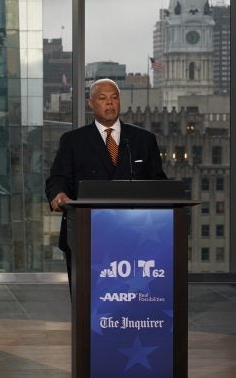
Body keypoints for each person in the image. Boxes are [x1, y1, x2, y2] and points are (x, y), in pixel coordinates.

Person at [45, 78, 166, 286]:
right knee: (89, 301)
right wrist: (59, 194)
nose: (109, 103)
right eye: (102, 98)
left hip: (135, 232)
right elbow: (57, 178)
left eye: (114, 98)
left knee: (131, 298)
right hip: (87, 232)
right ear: (91, 104)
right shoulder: (73, 140)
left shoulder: (143, 139)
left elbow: (158, 182)